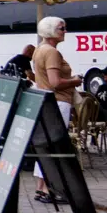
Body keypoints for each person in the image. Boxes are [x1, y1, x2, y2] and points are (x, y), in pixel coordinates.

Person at [33, 16, 80, 201]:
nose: (65, 31)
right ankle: (50, 189)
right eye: (62, 28)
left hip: (46, 102)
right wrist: (75, 81)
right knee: (55, 145)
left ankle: (41, 187)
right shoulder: (52, 52)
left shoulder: (39, 49)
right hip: (58, 102)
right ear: (51, 30)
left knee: (46, 144)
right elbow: (55, 82)